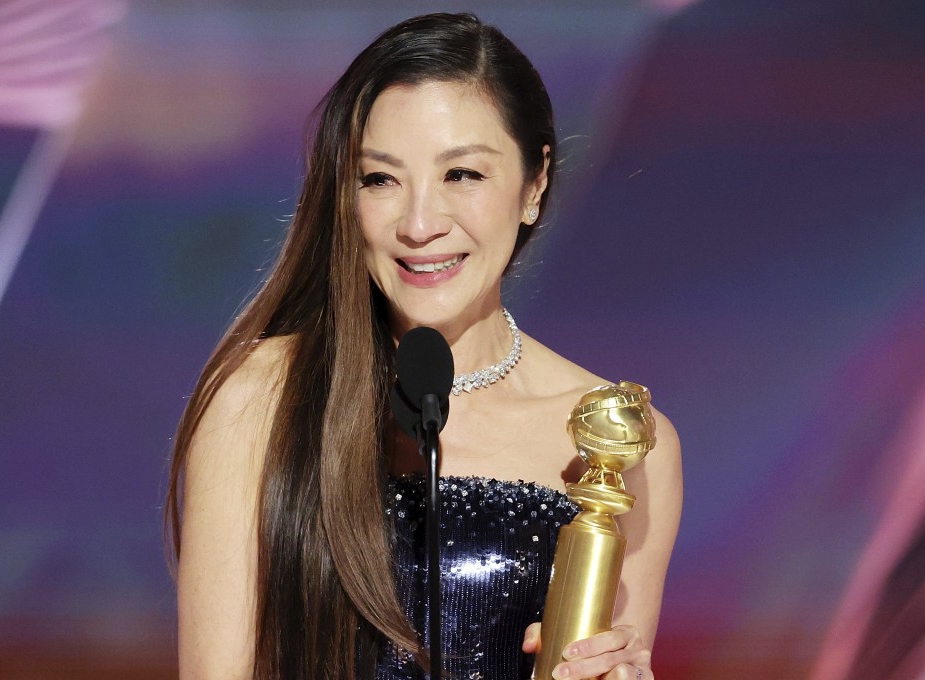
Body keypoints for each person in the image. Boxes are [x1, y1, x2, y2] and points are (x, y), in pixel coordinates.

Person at [165, 12, 682, 680]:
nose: (418, 223)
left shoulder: (626, 442)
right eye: (380, 179)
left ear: (534, 184)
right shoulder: (263, 398)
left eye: (461, 175)